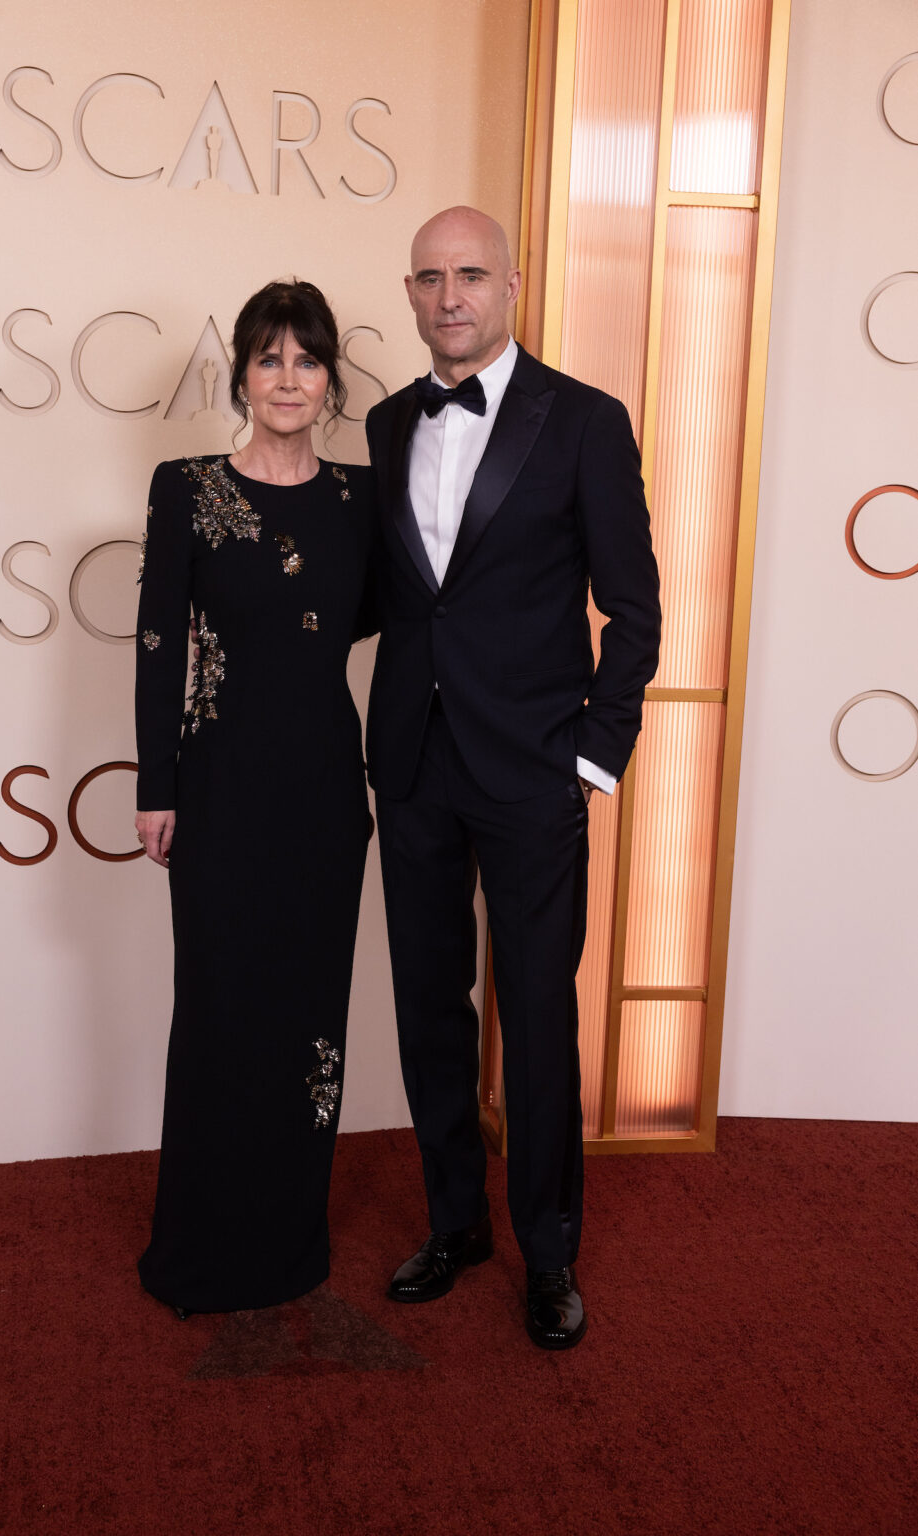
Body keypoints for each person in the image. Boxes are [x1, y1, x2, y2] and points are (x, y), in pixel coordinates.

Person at [365, 207, 661, 1349]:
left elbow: (632, 608)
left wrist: (595, 750)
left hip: (535, 769)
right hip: (413, 762)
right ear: (409, 291)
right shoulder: (391, 422)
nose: (450, 296)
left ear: (512, 287)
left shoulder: (584, 421)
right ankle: (454, 1224)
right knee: (427, 1008)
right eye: (431, 277)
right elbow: (395, 599)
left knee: (534, 1014)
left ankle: (548, 1252)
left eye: (471, 275)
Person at [134, 280, 374, 1316]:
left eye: (306, 359)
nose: (287, 378)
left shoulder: (361, 498)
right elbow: (155, 646)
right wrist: (155, 785)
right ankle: (203, 1246)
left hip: (325, 792)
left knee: (310, 1015)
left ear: (328, 379)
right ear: (240, 371)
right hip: (220, 787)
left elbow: (393, 620)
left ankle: (288, 1241)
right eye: (269, 358)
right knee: (220, 1013)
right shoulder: (185, 487)